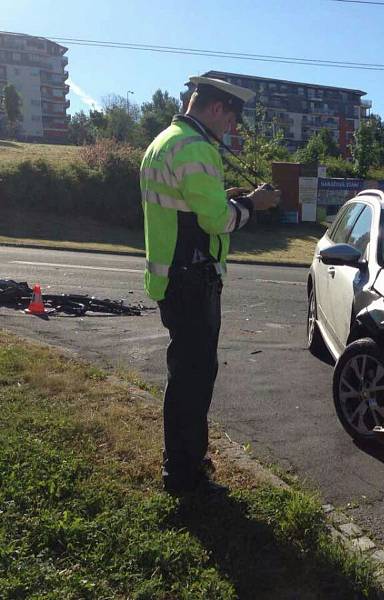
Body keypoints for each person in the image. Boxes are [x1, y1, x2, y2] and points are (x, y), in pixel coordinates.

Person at [140, 76, 281, 494]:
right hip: (194, 279)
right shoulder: (197, 148)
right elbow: (216, 221)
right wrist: (253, 204)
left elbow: (189, 205)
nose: (231, 129)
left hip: (170, 276)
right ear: (216, 109)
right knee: (195, 378)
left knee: (183, 374)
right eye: (232, 120)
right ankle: (184, 474)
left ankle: (179, 464)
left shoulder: (164, 141)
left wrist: (225, 197)